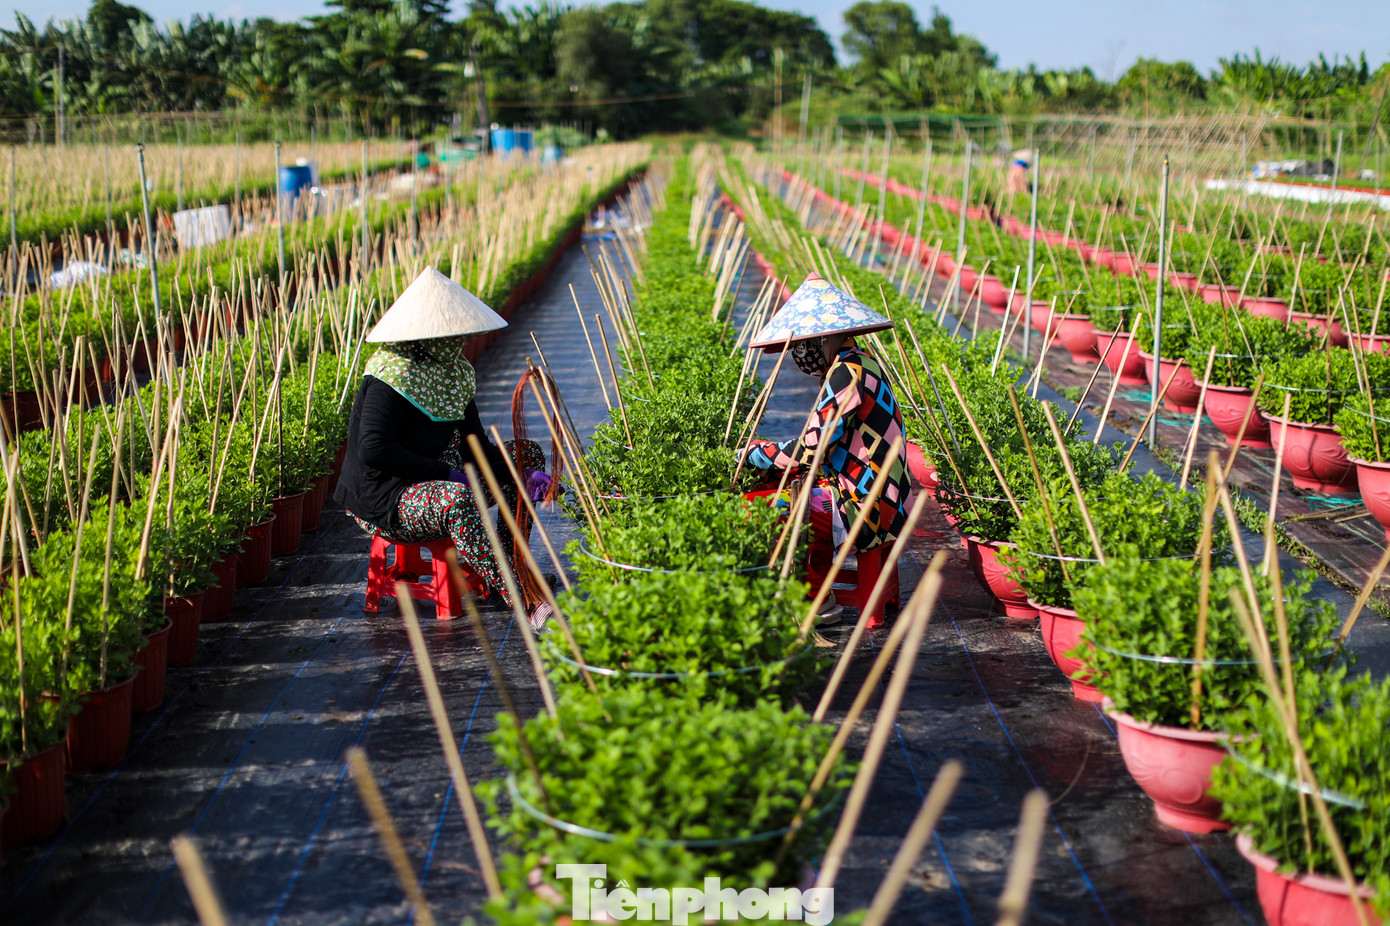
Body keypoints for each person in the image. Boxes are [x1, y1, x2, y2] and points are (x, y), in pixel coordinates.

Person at [336, 266, 553, 625]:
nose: (459, 342)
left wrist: (519, 473)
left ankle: (512, 567)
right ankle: (518, 596)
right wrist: (445, 473)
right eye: (450, 334)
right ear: (423, 336)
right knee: (458, 499)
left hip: (438, 469)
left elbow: (474, 446)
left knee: (527, 454)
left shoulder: (452, 372)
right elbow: (372, 449)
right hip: (389, 492)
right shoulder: (391, 375)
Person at [738, 274, 911, 623]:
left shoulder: (848, 373)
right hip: (881, 494)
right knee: (775, 487)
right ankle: (813, 582)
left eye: (806, 343)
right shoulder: (861, 361)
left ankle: (815, 594)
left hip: (867, 503)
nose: (801, 353)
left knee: (767, 507)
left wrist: (757, 452)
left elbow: (809, 450)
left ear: (828, 336)